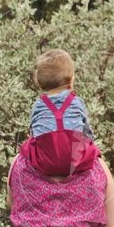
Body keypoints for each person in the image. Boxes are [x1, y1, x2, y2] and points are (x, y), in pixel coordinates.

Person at [18, 49, 101, 177]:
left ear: (39, 82)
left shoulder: (38, 105)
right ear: (71, 80)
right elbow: (87, 132)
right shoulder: (77, 102)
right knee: (92, 147)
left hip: (44, 163)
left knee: (27, 145)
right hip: (76, 160)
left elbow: (34, 131)